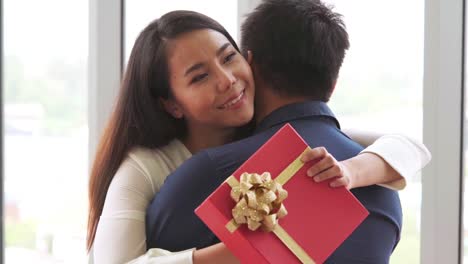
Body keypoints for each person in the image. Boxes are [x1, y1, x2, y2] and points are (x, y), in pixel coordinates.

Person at [87, 7, 430, 264]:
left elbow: (407, 147)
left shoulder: (280, 144)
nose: (227, 80)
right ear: (172, 104)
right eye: (199, 77)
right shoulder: (144, 167)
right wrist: (240, 250)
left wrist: (352, 171)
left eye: (228, 58)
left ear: (249, 61)